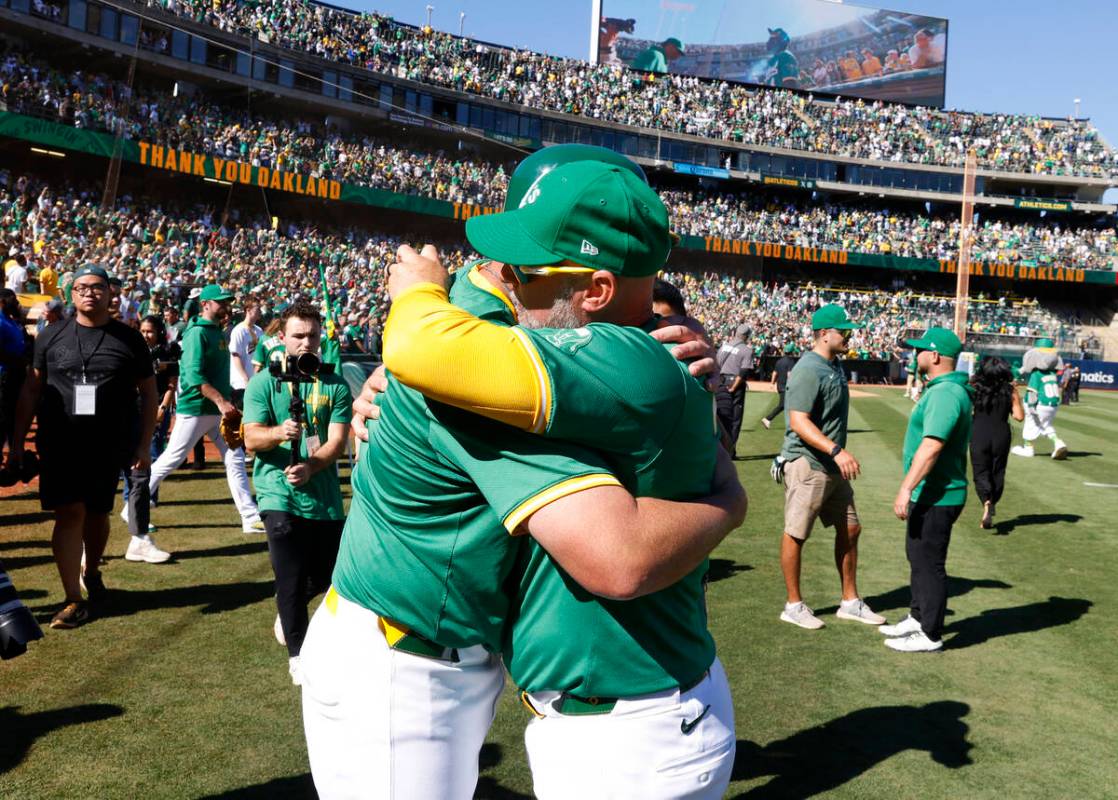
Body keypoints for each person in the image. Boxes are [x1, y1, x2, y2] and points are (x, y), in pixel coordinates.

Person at [302, 148, 742, 800]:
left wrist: (420, 295)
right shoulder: (490, 337)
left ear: (594, 288)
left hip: (499, 677)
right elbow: (423, 349)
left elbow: (434, 346)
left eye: (525, 267)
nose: (505, 275)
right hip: (399, 661)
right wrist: (728, 501)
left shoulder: (586, 350)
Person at [6, 265, 157, 628]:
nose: (90, 293)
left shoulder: (130, 338)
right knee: (70, 512)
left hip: (108, 444)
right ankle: (73, 597)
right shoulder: (50, 336)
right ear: (72, 294)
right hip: (60, 443)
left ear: (110, 294)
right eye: (83, 287)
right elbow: (31, 389)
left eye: (98, 287)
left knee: (97, 514)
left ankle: (92, 572)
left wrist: (143, 445)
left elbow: (149, 393)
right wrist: (15, 442)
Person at [243, 302, 352, 686]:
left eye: (312, 336)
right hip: (277, 495)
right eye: (298, 336)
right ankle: (298, 657)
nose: (306, 343)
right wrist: (279, 433)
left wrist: (311, 466)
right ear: (282, 338)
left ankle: (287, 611)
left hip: (323, 498)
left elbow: (337, 442)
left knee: (329, 577)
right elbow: (252, 437)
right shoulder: (263, 383)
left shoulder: (334, 383)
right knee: (288, 578)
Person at [777, 304, 884, 630]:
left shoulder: (833, 365)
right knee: (796, 533)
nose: (849, 335)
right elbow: (798, 421)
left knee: (851, 528)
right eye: (843, 331)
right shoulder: (810, 368)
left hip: (831, 466)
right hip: (810, 463)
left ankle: (850, 602)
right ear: (824, 334)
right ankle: (793, 605)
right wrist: (836, 450)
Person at [147, 284, 262, 541]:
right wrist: (222, 401)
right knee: (171, 459)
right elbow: (193, 374)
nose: (226, 305)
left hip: (216, 409)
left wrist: (223, 401)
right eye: (221, 301)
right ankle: (133, 505)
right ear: (206, 304)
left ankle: (250, 517)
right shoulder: (196, 333)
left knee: (235, 459)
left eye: (227, 301)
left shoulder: (218, 332)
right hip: (197, 407)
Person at [883, 327, 973, 652]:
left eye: (920, 350)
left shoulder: (946, 393)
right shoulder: (942, 388)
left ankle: (930, 633)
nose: (914, 354)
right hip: (932, 492)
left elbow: (932, 446)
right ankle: (917, 616)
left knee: (929, 562)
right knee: (917, 555)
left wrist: (906, 488)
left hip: (939, 493)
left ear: (934, 356)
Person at [969, 356, 1024, 530]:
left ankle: (986, 501)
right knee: (997, 471)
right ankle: (992, 500)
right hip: (1001, 434)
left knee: (981, 472)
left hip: (978, 432)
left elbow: (967, 410)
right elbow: (1019, 416)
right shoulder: (1010, 390)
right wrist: (1016, 396)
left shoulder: (974, 388)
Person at [1012, 338, 1067, 460]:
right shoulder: (1052, 374)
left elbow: (1032, 392)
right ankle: (1058, 443)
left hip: (1040, 404)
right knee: (1045, 425)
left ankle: (1028, 448)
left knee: (1030, 424)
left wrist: (1031, 407)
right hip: (1053, 405)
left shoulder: (1036, 374)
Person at [715, 324, 752, 458]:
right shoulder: (746, 350)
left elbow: (716, 364)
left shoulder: (724, 346)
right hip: (734, 383)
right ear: (747, 336)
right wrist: (734, 387)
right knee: (735, 419)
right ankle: (730, 451)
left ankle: (719, 448)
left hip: (720, 381)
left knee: (721, 416)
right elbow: (743, 372)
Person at [0, 289, 29, 458]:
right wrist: (18, 361)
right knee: (3, 418)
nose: (15, 301)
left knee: (13, 416)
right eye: (11, 298)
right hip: (5, 375)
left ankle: (14, 453)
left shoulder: (12, 321)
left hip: (16, 375)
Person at [229, 298, 263, 408]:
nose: (260, 311)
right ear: (248, 310)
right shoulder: (238, 330)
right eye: (257, 308)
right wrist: (245, 378)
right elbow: (236, 356)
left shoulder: (259, 330)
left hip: (255, 381)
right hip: (241, 383)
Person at [762, 342, 798, 430]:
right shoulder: (791, 361)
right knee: (782, 405)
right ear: (792, 352)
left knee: (789, 405)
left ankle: (793, 424)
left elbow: (774, 373)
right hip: (786, 387)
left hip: (780, 386)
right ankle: (768, 418)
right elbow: (790, 375)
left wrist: (772, 383)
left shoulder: (779, 361)